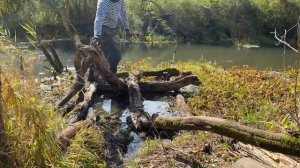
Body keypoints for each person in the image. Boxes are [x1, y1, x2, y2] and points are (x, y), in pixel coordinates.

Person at [90, 0, 130, 73]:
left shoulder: (121, 1)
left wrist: (127, 28)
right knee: (115, 55)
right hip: (103, 30)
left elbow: (123, 14)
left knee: (104, 53)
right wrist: (97, 35)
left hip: (112, 30)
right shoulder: (103, 2)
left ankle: (97, 75)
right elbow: (99, 18)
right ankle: (110, 75)